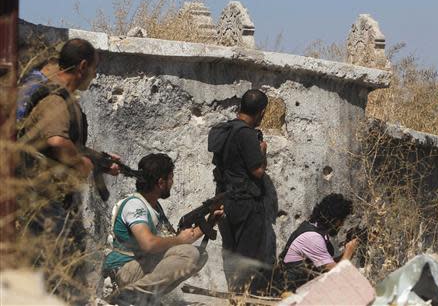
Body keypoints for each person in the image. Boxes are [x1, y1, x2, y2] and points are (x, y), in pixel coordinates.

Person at [18, 38, 120, 236]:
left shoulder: (64, 97)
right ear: (82, 66)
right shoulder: (55, 100)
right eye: (94, 68)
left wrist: (100, 160)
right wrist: (81, 162)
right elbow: (57, 141)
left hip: (52, 197)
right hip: (42, 199)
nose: (95, 74)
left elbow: (69, 143)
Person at [103, 153, 222, 305]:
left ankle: (145, 297)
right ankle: (129, 294)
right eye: (170, 178)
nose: (172, 182)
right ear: (160, 182)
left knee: (200, 254)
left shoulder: (154, 206)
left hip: (140, 266)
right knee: (190, 253)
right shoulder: (135, 205)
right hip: (124, 270)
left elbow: (179, 241)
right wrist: (180, 239)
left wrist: (210, 221)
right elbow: (149, 244)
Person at [208, 89, 269, 293]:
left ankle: (233, 296)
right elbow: (258, 171)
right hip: (245, 202)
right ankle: (241, 297)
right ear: (261, 112)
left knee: (231, 252)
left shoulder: (224, 130)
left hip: (224, 199)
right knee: (246, 255)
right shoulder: (246, 133)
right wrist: (262, 151)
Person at [270, 193, 358, 295]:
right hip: (287, 294)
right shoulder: (313, 238)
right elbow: (336, 274)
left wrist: (348, 252)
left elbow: (328, 265)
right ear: (334, 219)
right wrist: (348, 252)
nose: (342, 224)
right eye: (341, 221)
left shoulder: (313, 230)